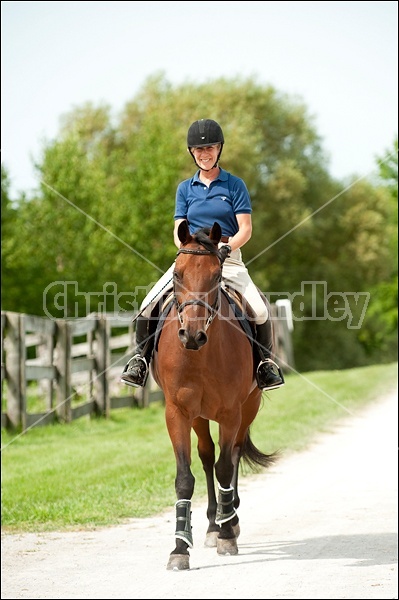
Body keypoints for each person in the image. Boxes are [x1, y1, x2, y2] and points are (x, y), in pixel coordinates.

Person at [121, 118, 284, 391]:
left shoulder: (234, 185)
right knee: (147, 305)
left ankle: (265, 364)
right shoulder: (185, 189)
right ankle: (141, 361)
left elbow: (246, 229)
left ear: (219, 149)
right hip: (190, 258)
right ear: (191, 153)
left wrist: (226, 248)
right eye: (199, 150)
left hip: (227, 258)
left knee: (258, 309)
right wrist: (184, 248)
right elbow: (178, 228)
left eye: (210, 148)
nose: (204, 153)